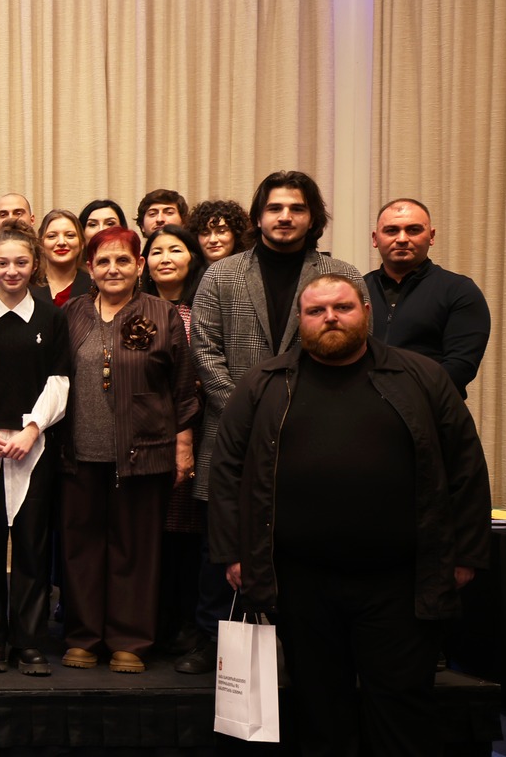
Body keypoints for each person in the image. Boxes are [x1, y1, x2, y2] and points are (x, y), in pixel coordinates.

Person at [209, 274, 490, 757]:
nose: (330, 318)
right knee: (320, 713)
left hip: (400, 583)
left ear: (366, 312)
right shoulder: (263, 383)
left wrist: (466, 553)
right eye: (316, 311)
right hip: (299, 582)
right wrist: (233, 552)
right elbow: (228, 471)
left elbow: (466, 466)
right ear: (300, 320)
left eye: (342, 307)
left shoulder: (422, 377)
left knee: (401, 711)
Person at [190, 171, 361, 662]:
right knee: (222, 545)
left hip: (312, 435)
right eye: (274, 208)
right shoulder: (220, 275)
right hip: (230, 433)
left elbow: (351, 348)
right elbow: (205, 351)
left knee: (301, 542)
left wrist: (296, 415)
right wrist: (249, 414)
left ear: (313, 217)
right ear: (258, 217)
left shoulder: (341, 276)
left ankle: (301, 643)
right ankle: (215, 643)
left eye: (297, 208)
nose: (285, 217)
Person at [60, 226, 198, 673]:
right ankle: (84, 637)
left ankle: (130, 641)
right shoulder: (72, 313)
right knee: (81, 549)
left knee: (135, 550)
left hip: (145, 451)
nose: (112, 269)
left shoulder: (162, 313)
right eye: (103, 261)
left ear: (139, 265)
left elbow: (182, 385)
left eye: (122, 260)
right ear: (89, 268)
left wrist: (183, 445)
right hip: (79, 453)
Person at [0, 227, 70, 676]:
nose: (11, 271)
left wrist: (32, 429)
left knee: (31, 544)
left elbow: (59, 381)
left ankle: (29, 641)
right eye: (2, 263)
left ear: (34, 266)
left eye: (21, 262)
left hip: (33, 446)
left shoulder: (51, 317)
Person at [139, 222, 215, 669]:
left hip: (198, 429)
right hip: (145, 432)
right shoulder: (136, 309)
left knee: (188, 528)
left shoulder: (205, 308)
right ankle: (152, 619)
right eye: (156, 251)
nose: (165, 258)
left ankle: (187, 622)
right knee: (151, 530)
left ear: (192, 258)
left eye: (175, 250)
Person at [365, 198, 491, 399]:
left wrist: (399, 396)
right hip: (365, 407)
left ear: (431, 236)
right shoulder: (357, 290)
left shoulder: (460, 291)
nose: (402, 239)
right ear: (375, 238)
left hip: (431, 409)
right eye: (391, 230)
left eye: (413, 230)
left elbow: (460, 367)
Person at [38, 210, 90, 306]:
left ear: (82, 243)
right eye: (52, 236)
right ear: (41, 244)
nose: (61, 242)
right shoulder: (29, 286)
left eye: (70, 235)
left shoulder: (94, 287)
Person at [189, 198, 251, 264]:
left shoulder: (250, 267)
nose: (213, 240)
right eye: (205, 233)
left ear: (236, 234)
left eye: (221, 231)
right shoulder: (188, 268)